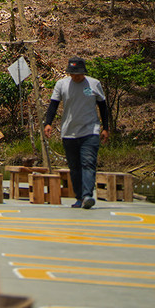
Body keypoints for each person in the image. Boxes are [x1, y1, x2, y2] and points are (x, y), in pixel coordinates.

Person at [43, 56, 111, 209]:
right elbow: (53, 105)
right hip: (69, 132)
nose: (76, 76)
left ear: (84, 72)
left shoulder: (94, 84)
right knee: (74, 167)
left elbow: (103, 107)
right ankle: (79, 198)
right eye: (73, 74)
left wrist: (105, 128)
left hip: (90, 130)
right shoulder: (62, 85)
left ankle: (88, 195)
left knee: (88, 162)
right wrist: (48, 123)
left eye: (78, 74)